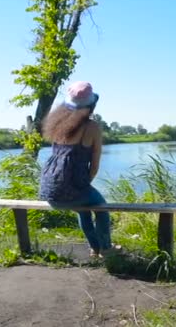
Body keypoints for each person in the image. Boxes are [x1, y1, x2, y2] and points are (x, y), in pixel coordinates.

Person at [39, 81, 112, 257]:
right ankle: (106, 249)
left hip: (50, 191)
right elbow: (94, 167)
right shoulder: (92, 127)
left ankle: (95, 248)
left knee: (83, 208)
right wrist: (83, 185)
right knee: (102, 208)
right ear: (91, 105)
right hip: (72, 190)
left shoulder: (58, 126)